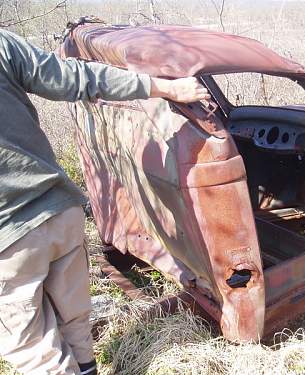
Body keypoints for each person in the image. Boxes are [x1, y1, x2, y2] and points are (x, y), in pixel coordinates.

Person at [0, 28, 210, 375]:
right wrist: (165, 88)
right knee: (75, 324)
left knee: (34, 350)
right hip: (59, 210)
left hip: (10, 239)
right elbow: (75, 78)